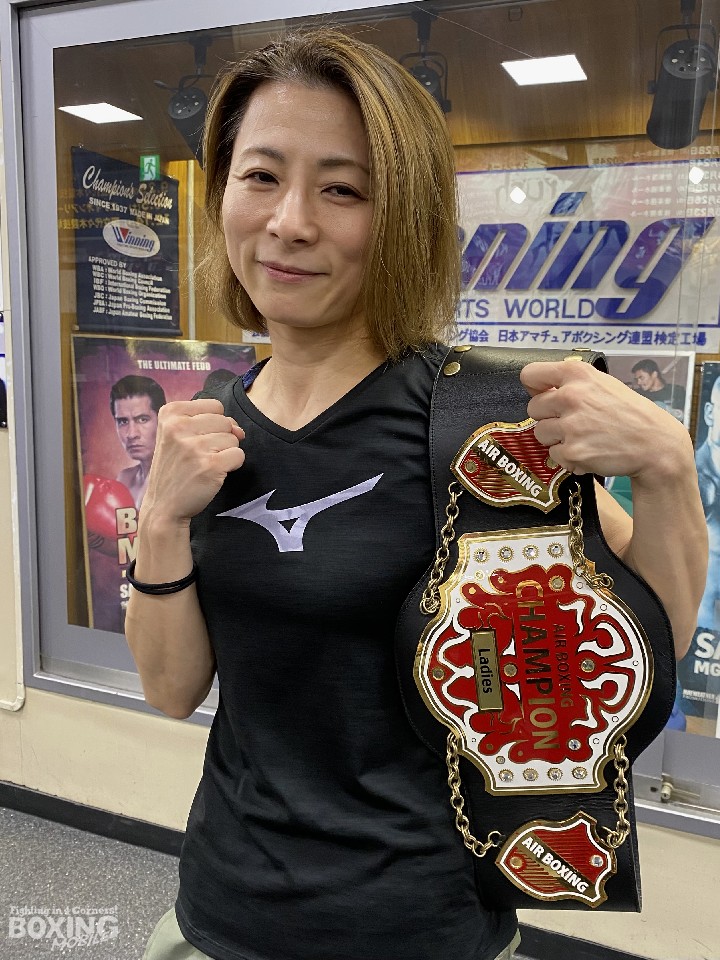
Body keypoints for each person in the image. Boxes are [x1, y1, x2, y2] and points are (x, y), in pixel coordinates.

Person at [126, 28, 707, 960]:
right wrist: (160, 518)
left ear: (402, 217)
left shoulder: (480, 423)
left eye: (342, 189)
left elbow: (643, 650)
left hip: (417, 930)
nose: (290, 222)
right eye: (261, 176)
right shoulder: (211, 427)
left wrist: (670, 472)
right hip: (221, 915)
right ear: (222, 193)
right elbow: (171, 689)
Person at [110, 375, 166, 510]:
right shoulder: (124, 479)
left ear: (162, 420)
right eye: (123, 421)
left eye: (142, 419)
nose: (131, 434)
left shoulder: (182, 478)